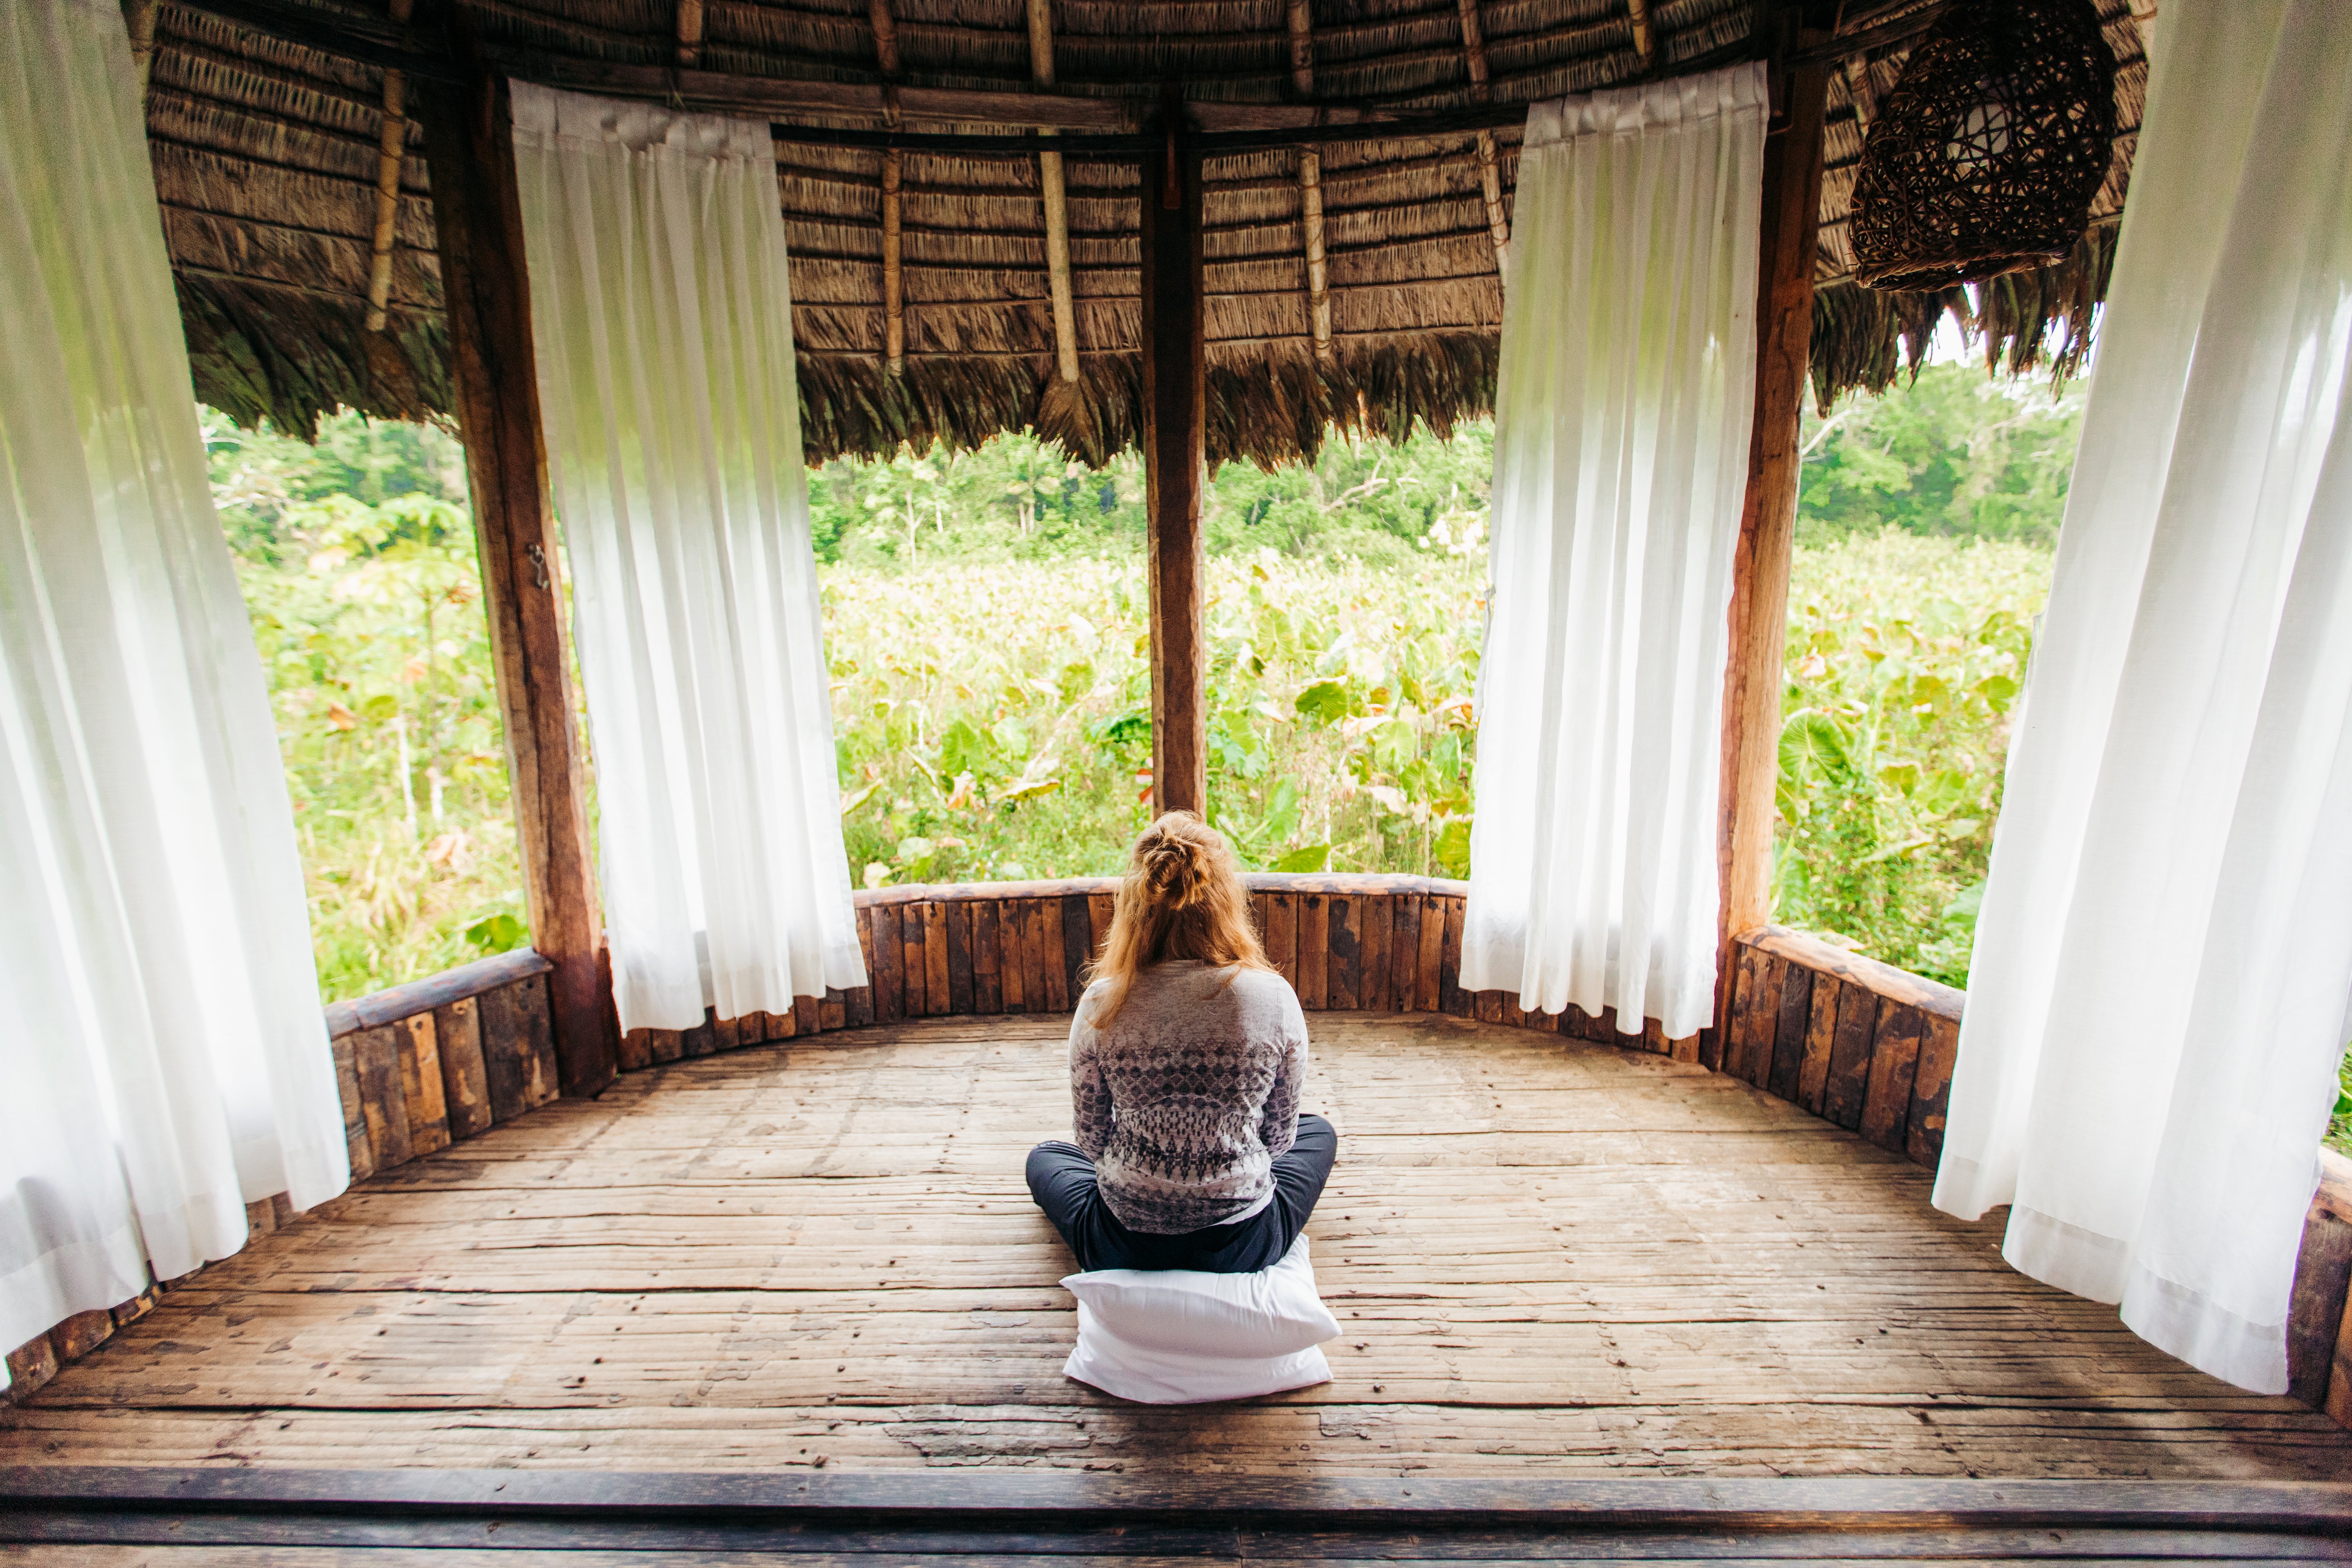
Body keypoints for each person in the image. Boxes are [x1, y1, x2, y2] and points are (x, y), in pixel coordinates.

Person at [1025, 811, 1337, 1274]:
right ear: (1226, 898)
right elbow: (1278, 1140)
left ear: (1134, 903)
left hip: (1125, 1241)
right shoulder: (1272, 997)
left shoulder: (1102, 1002)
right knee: (1319, 1133)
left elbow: (1091, 1143)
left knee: (1047, 1157)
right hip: (1242, 1242)